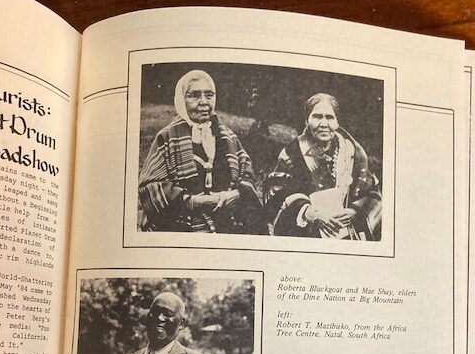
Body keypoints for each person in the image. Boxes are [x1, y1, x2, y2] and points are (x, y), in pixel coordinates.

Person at [138, 69, 265, 234]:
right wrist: (193, 202)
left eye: (209, 95)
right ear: (181, 100)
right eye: (194, 95)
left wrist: (236, 194)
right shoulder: (166, 137)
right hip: (185, 225)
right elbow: (150, 187)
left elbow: (247, 176)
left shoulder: (229, 138)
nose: (204, 102)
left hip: (228, 222)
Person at [264, 93, 381, 240]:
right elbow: (276, 191)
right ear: (307, 120)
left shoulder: (353, 152)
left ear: (337, 122)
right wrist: (308, 212)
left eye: (329, 117)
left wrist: (355, 211)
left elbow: (372, 194)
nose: (324, 124)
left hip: (347, 232)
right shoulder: (293, 152)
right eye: (317, 117)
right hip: (307, 232)